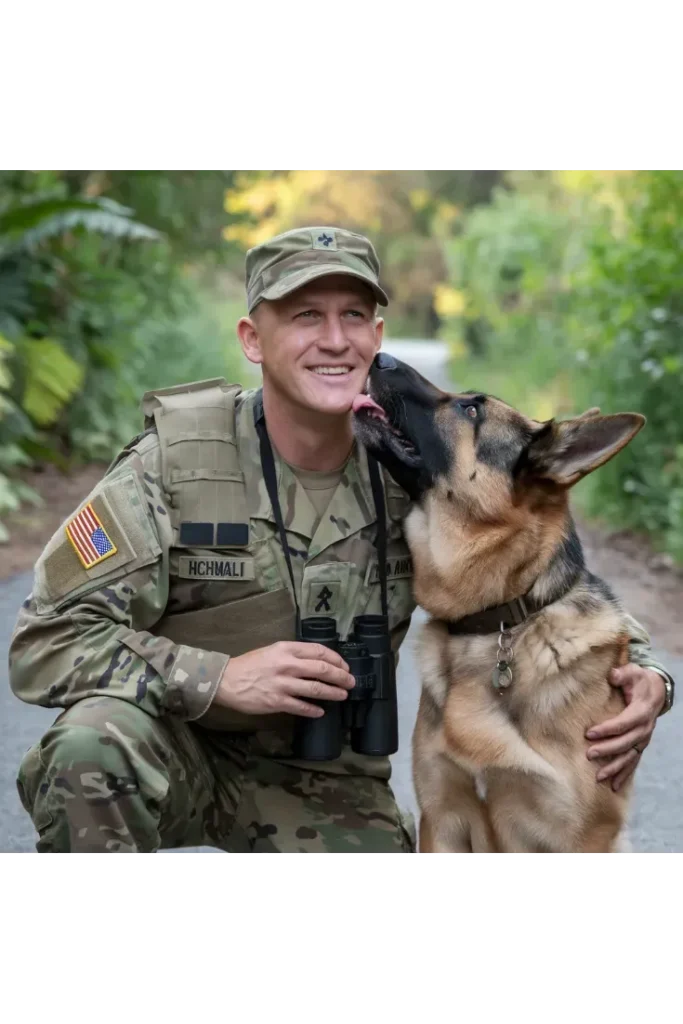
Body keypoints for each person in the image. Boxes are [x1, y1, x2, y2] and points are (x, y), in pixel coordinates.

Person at [8, 225, 675, 856]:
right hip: (171, 750)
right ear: (251, 338)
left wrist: (649, 674)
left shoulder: (416, 474)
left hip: (323, 780)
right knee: (92, 745)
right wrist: (220, 678)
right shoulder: (173, 465)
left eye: (353, 315)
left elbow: (539, 582)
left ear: (376, 333)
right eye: (304, 316)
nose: (334, 339)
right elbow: (45, 643)